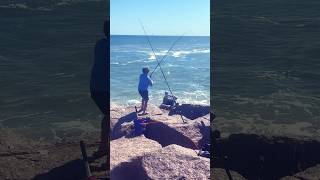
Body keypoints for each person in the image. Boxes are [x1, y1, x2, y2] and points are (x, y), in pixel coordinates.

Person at [90, 20, 109, 157]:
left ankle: (103, 147)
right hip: (105, 89)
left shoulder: (99, 44)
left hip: (95, 88)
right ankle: (108, 156)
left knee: (108, 116)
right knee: (111, 118)